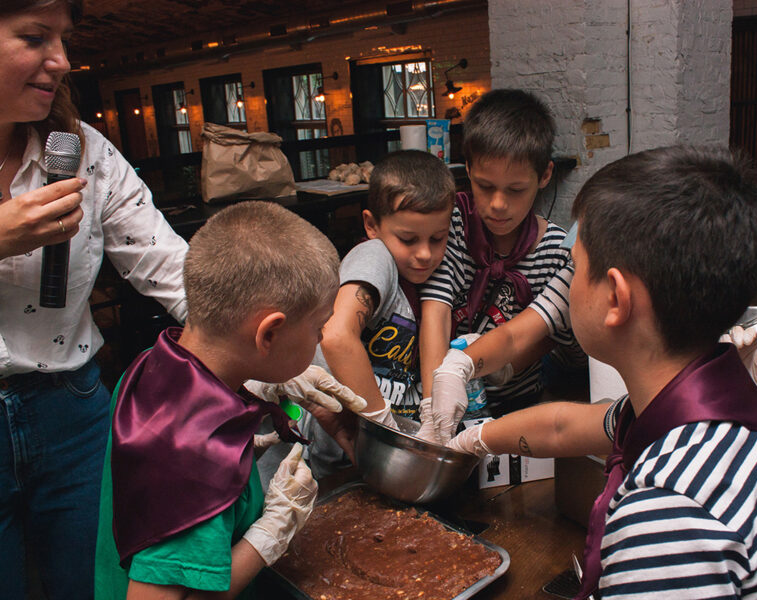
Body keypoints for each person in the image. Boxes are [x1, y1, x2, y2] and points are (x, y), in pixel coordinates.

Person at [447, 146, 757, 599]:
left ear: (616, 298)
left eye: (575, 268)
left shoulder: (669, 509)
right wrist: (469, 440)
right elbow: (563, 425)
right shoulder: (713, 403)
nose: (568, 284)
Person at [0, 2, 189, 598]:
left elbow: (169, 266)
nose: (61, 60)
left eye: (63, 38)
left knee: (92, 585)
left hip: (72, 414)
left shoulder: (82, 151)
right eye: (34, 37)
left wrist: (274, 350)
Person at [94, 201, 364, 599]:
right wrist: (270, 534)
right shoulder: (196, 457)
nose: (321, 340)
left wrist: (251, 396)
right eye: (318, 328)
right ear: (268, 335)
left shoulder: (152, 364)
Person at [253, 150, 456, 478]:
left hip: (356, 459)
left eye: (438, 238)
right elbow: (336, 335)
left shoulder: (431, 275)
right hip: (312, 454)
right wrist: (385, 427)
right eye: (408, 239)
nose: (425, 254)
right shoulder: (373, 255)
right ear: (371, 225)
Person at [417, 88, 582, 442]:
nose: (497, 204)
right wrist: (433, 405)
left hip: (517, 405)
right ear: (468, 169)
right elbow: (435, 308)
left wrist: (503, 369)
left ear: (545, 175)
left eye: (515, 190)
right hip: (440, 393)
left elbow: (543, 334)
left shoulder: (556, 250)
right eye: (484, 185)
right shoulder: (453, 223)